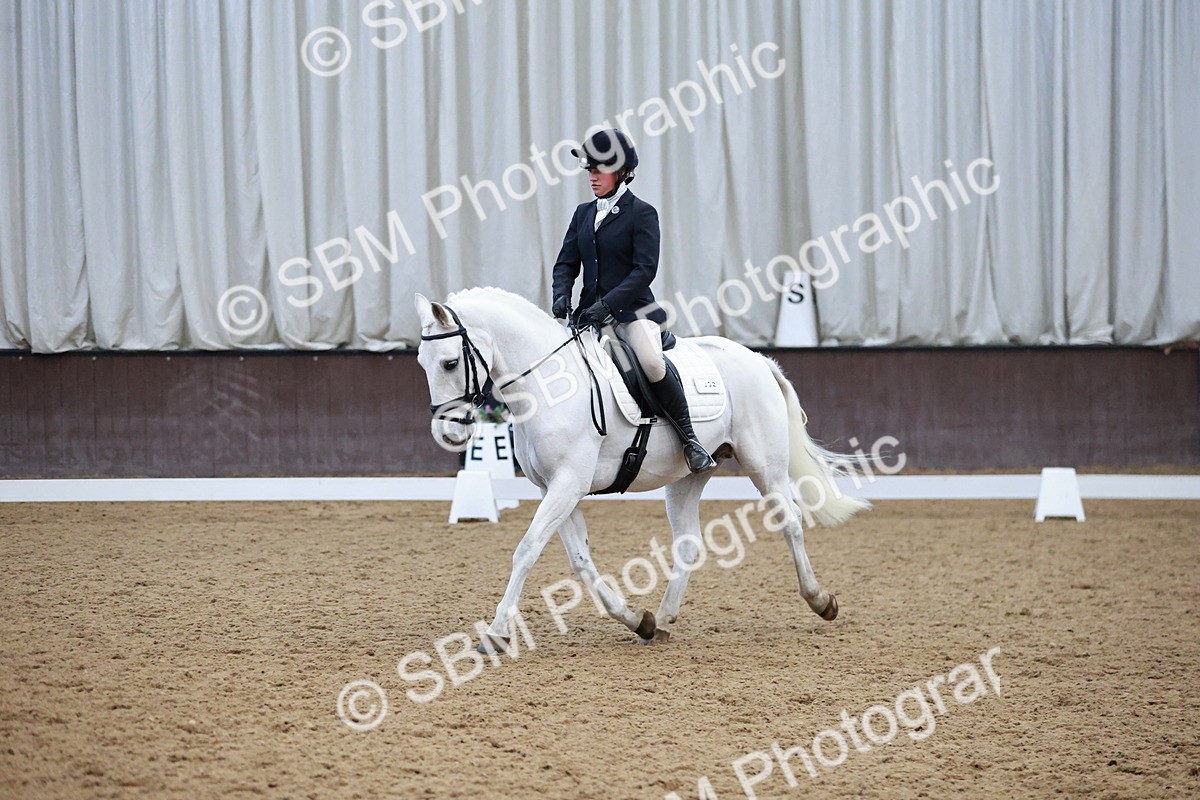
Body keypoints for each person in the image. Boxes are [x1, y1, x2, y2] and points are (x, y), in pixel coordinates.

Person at [550, 129, 716, 473]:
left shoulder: (641, 213)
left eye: (599, 170)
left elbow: (644, 270)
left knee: (652, 363)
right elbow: (566, 262)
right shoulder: (583, 213)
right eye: (589, 171)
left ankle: (690, 439)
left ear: (622, 172)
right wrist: (561, 293)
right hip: (588, 316)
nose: (592, 177)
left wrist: (606, 306)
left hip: (633, 312)